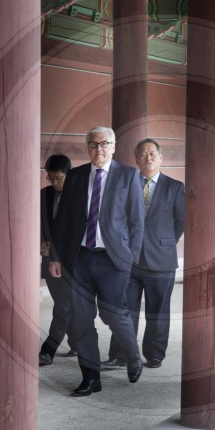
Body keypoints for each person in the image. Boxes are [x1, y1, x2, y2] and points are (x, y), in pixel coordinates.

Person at [49, 126, 145, 397]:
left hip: (114, 261)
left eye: (104, 144)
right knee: (82, 320)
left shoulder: (128, 176)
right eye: (93, 144)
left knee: (115, 314)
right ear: (87, 147)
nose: (99, 149)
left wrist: (130, 259)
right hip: (80, 258)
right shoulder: (76, 177)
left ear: (113, 147)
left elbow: (137, 224)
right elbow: (63, 222)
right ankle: (91, 378)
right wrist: (55, 257)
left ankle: (132, 353)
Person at [102, 138, 185, 370]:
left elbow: (181, 220)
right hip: (129, 259)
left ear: (160, 158)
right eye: (143, 154)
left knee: (158, 311)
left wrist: (166, 241)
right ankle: (120, 355)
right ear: (136, 159)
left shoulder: (175, 187)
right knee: (124, 309)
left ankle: (155, 354)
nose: (148, 157)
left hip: (162, 258)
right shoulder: (125, 183)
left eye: (152, 154)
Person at [39, 154, 78, 366]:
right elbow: (34, 224)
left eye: (58, 178)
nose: (53, 183)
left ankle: (49, 349)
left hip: (73, 263)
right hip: (49, 261)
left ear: (68, 175)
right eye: (50, 178)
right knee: (65, 304)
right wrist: (38, 244)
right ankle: (77, 342)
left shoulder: (81, 197)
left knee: (64, 305)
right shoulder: (43, 196)